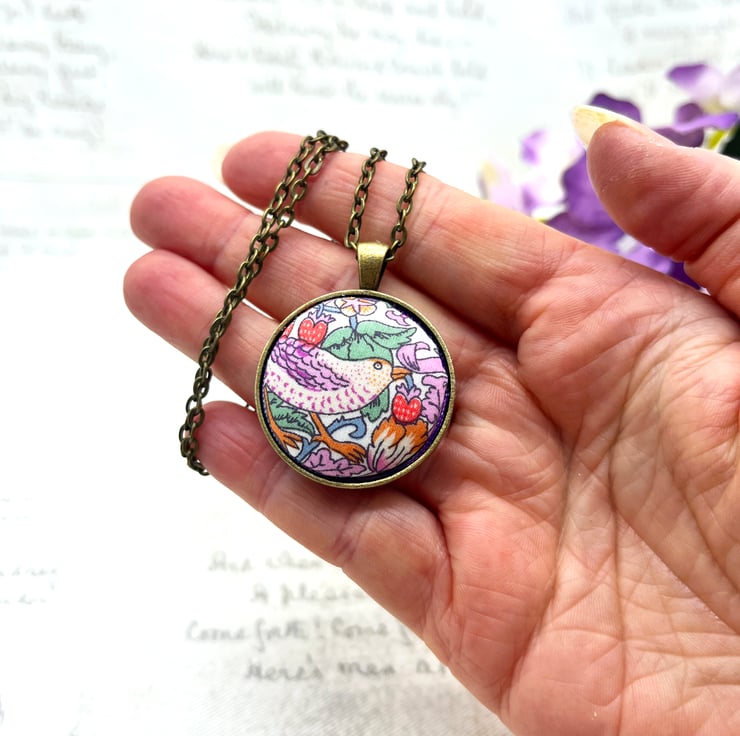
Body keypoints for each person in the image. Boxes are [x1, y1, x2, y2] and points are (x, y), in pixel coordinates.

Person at [124, 111, 740, 736]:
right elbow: (313, 387)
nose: (386, 376)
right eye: (381, 371)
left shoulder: (383, 370)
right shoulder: (340, 368)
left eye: (386, 372)